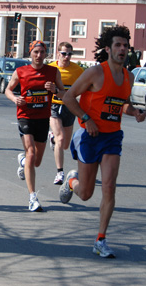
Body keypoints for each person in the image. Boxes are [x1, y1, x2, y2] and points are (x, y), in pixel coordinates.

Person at [60, 25, 146, 259]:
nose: (122, 49)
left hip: (112, 137)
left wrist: (135, 111)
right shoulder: (96, 73)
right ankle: (71, 182)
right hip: (90, 136)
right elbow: (68, 97)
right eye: (117, 45)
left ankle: (100, 239)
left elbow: (122, 104)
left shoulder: (128, 76)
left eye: (125, 46)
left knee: (109, 186)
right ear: (108, 49)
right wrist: (86, 119)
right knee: (86, 193)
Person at [5, 40, 65, 212]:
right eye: (35, 52)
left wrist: (54, 90)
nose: (39, 55)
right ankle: (33, 198)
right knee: (31, 153)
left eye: (42, 52)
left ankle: (23, 161)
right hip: (25, 117)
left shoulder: (53, 72)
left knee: (36, 162)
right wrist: (15, 99)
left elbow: (64, 94)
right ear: (30, 53)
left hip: (42, 119)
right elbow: (8, 90)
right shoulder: (21, 71)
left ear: (46, 54)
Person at [47, 42, 84, 185]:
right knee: (61, 138)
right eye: (63, 53)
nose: (66, 57)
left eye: (69, 54)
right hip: (54, 106)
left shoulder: (78, 70)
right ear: (58, 54)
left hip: (70, 107)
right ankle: (60, 173)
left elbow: (85, 88)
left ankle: (52, 138)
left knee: (65, 145)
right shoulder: (51, 68)